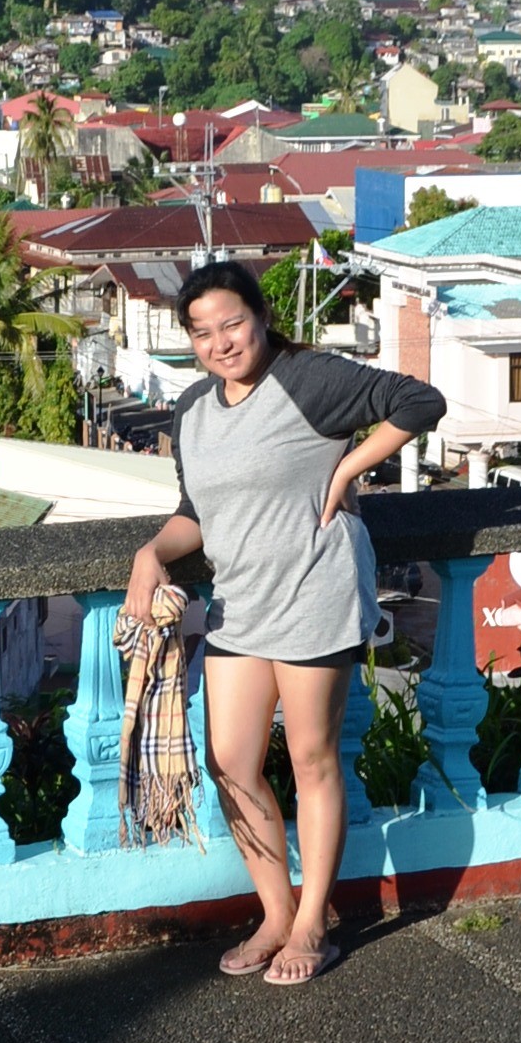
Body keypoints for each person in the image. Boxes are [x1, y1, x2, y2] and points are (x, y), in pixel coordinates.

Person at [122, 259, 444, 985]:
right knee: (230, 764)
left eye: (232, 324)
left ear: (262, 317)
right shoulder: (193, 408)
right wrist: (152, 552)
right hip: (239, 603)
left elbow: (419, 401)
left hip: (314, 593)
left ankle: (311, 925)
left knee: (311, 760)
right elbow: (196, 512)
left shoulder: (307, 380)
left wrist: (347, 469)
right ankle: (275, 913)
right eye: (202, 333)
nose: (221, 343)